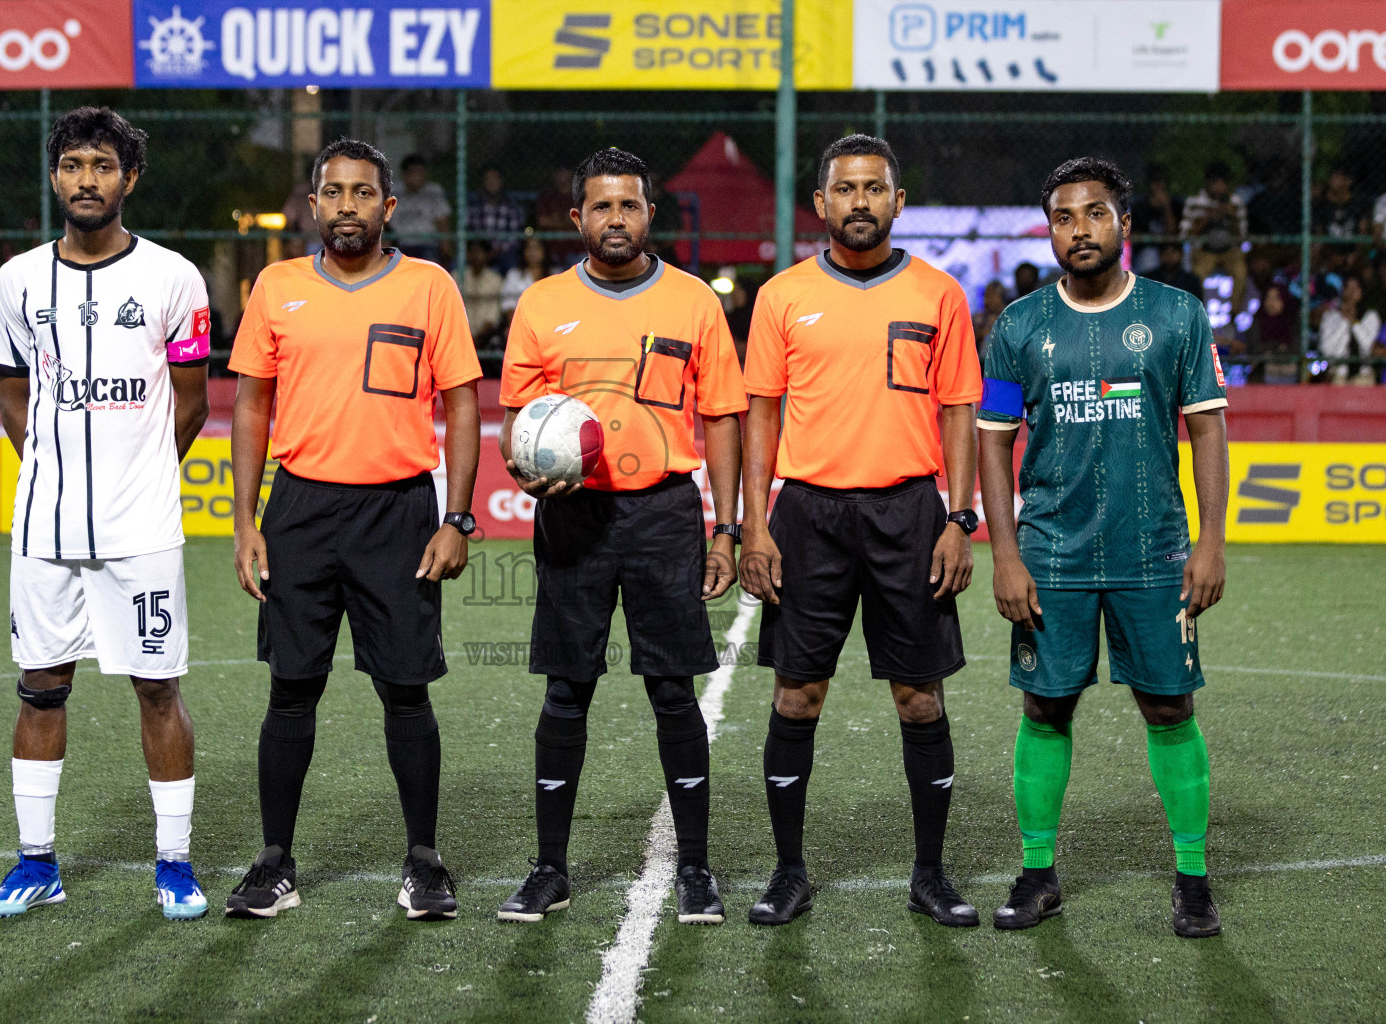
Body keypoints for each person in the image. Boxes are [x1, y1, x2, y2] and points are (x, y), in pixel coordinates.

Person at [225, 138, 482, 922]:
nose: (346, 206)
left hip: (399, 511)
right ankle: (274, 861)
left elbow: (463, 404)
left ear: (387, 207)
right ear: (313, 205)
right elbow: (251, 405)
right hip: (300, 509)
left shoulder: (430, 288)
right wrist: (245, 522)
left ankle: (425, 860)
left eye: (362, 193)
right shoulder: (277, 286)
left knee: (406, 692)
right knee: (291, 689)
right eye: (333, 192)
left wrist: (457, 517)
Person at [977, 157, 1229, 939]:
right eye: (1062, 217)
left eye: (1093, 214)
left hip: (1154, 550)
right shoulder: (1018, 326)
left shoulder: (1180, 315)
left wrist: (1212, 541)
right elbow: (992, 444)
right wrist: (1006, 555)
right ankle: (1037, 874)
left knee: (1168, 706)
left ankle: (1192, 881)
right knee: (1046, 706)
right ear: (1048, 227)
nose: (1078, 230)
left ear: (1124, 222)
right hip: (1051, 552)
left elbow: (1208, 429)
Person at [495, 147, 746, 926]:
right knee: (566, 689)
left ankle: (696, 870)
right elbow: (520, 423)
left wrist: (726, 528)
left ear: (649, 214)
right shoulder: (540, 304)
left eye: (629, 206)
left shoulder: (694, 301)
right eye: (601, 207)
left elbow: (723, 418)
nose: (616, 220)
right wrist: (524, 466)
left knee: (673, 691)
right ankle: (549, 870)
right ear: (576, 218)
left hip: (665, 511)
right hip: (573, 514)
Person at [738, 134, 983, 928]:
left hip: (909, 514)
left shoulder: (940, 294)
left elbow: (959, 411)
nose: (861, 202)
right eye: (845, 189)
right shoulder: (781, 296)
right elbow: (761, 412)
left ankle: (931, 874)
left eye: (875, 188)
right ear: (821, 204)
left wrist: (959, 515)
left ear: (898, 201)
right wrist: (754, 521)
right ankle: (787, 871)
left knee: (919, 698)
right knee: (798, 694)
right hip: (806, 515)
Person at [0, 107, 213, 920]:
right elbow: (12, 392)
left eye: (103, 165)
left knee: (157, 688)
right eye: (73, 164)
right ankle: (35, 862)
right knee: (40, 689)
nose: (87, 179)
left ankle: (174, 865)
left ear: (130, 178)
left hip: (141, 529)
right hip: (42, 529)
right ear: (54, 177)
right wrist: (44, 459)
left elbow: (192, 402)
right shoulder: (16, 280)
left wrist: (138, 473)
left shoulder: (174, 279)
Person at [1181, 160, 1248, 300]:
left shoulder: (1235, 202)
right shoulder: (1195, 201)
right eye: (1215, 182)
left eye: (1223, 182)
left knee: (1240, 271)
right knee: (1197, 275)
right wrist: (1209, 217)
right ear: (1208, 182)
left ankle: (1235, 316)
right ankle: (1197, 316)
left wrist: (1231, 216)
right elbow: (1185, 235)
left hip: (1229, 250)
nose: (1219, 186)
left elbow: (1242, 237)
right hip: (1204, 251)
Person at [388, 154, 452, 264]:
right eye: (414, 173)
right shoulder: (394, 192)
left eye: (421, 172)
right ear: (405, 174)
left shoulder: (433, 191)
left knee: (429, 263)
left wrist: (446, 246)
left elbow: (442, 222)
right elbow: (384, 221)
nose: (418, 177)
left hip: (427, 244)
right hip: (401, 244)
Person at [1317, 273, 1380, 385]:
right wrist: (1344, 321)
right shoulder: (1330, 317)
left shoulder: (1371, 317)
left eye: (1355, 288)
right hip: (1338, 375)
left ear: (1361, 292)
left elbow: (1370, 348)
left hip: (1363, 376)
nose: (1351, 293)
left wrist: (1354, 323)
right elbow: (1326, 350)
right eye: (1348, 288)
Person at [464, 164, 526, 266]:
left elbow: (514, 238)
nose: (491, 182)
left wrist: (494, 252)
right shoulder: (474, 204)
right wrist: (478, 251)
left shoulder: (511, 205)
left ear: (501, 181)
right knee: (457, 263)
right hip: (478, 252)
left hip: (502, 252)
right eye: (488, 179)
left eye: (495, 179)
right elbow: (468, 231)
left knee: (511, 260)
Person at [1130, 162, 1183, 273]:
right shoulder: (1140, 206)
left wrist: (1166, 206)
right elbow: (1136, 236)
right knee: (1149, 259)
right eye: (1155, 182)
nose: (1159, 185)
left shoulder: (1175, 204)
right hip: (1149, 249)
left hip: (1172, 248)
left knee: (1184, 259)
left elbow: (1173, 231)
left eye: (1162, 181)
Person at [457, 239, 505, 349]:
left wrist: (476, 341)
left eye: (479, 252)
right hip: (460, 336)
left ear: (487, 255)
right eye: (472, 251)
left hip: (485, 338)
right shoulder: (456, 276)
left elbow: (493, 319)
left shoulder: (495, 280)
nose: (475, 255)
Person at [500, 234, 552, 315]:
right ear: (524, 252)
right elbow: (508, 305)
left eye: (537, 248)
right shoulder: (513, 275)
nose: (533, 252)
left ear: (544, 251)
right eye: (529, 248)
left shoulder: (554, 275)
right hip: (521, 323)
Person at [1314, 168, 1369, 241]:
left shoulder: (1358, 203)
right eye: (1332, 177)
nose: (1333, 180)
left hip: (1353, 249)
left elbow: (1363, 233)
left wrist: (1357, 252)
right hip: (1328, 249)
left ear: (1348, 181)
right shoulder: (1323, 204)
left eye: (1338, 177)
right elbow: (1319, 235)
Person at [973, 279, 1007, 355]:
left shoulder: (1010, 316)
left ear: (1001, 296)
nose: (987, 300)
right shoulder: (978, 317)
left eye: (992, 295)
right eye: (986, 296)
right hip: (981, 360)